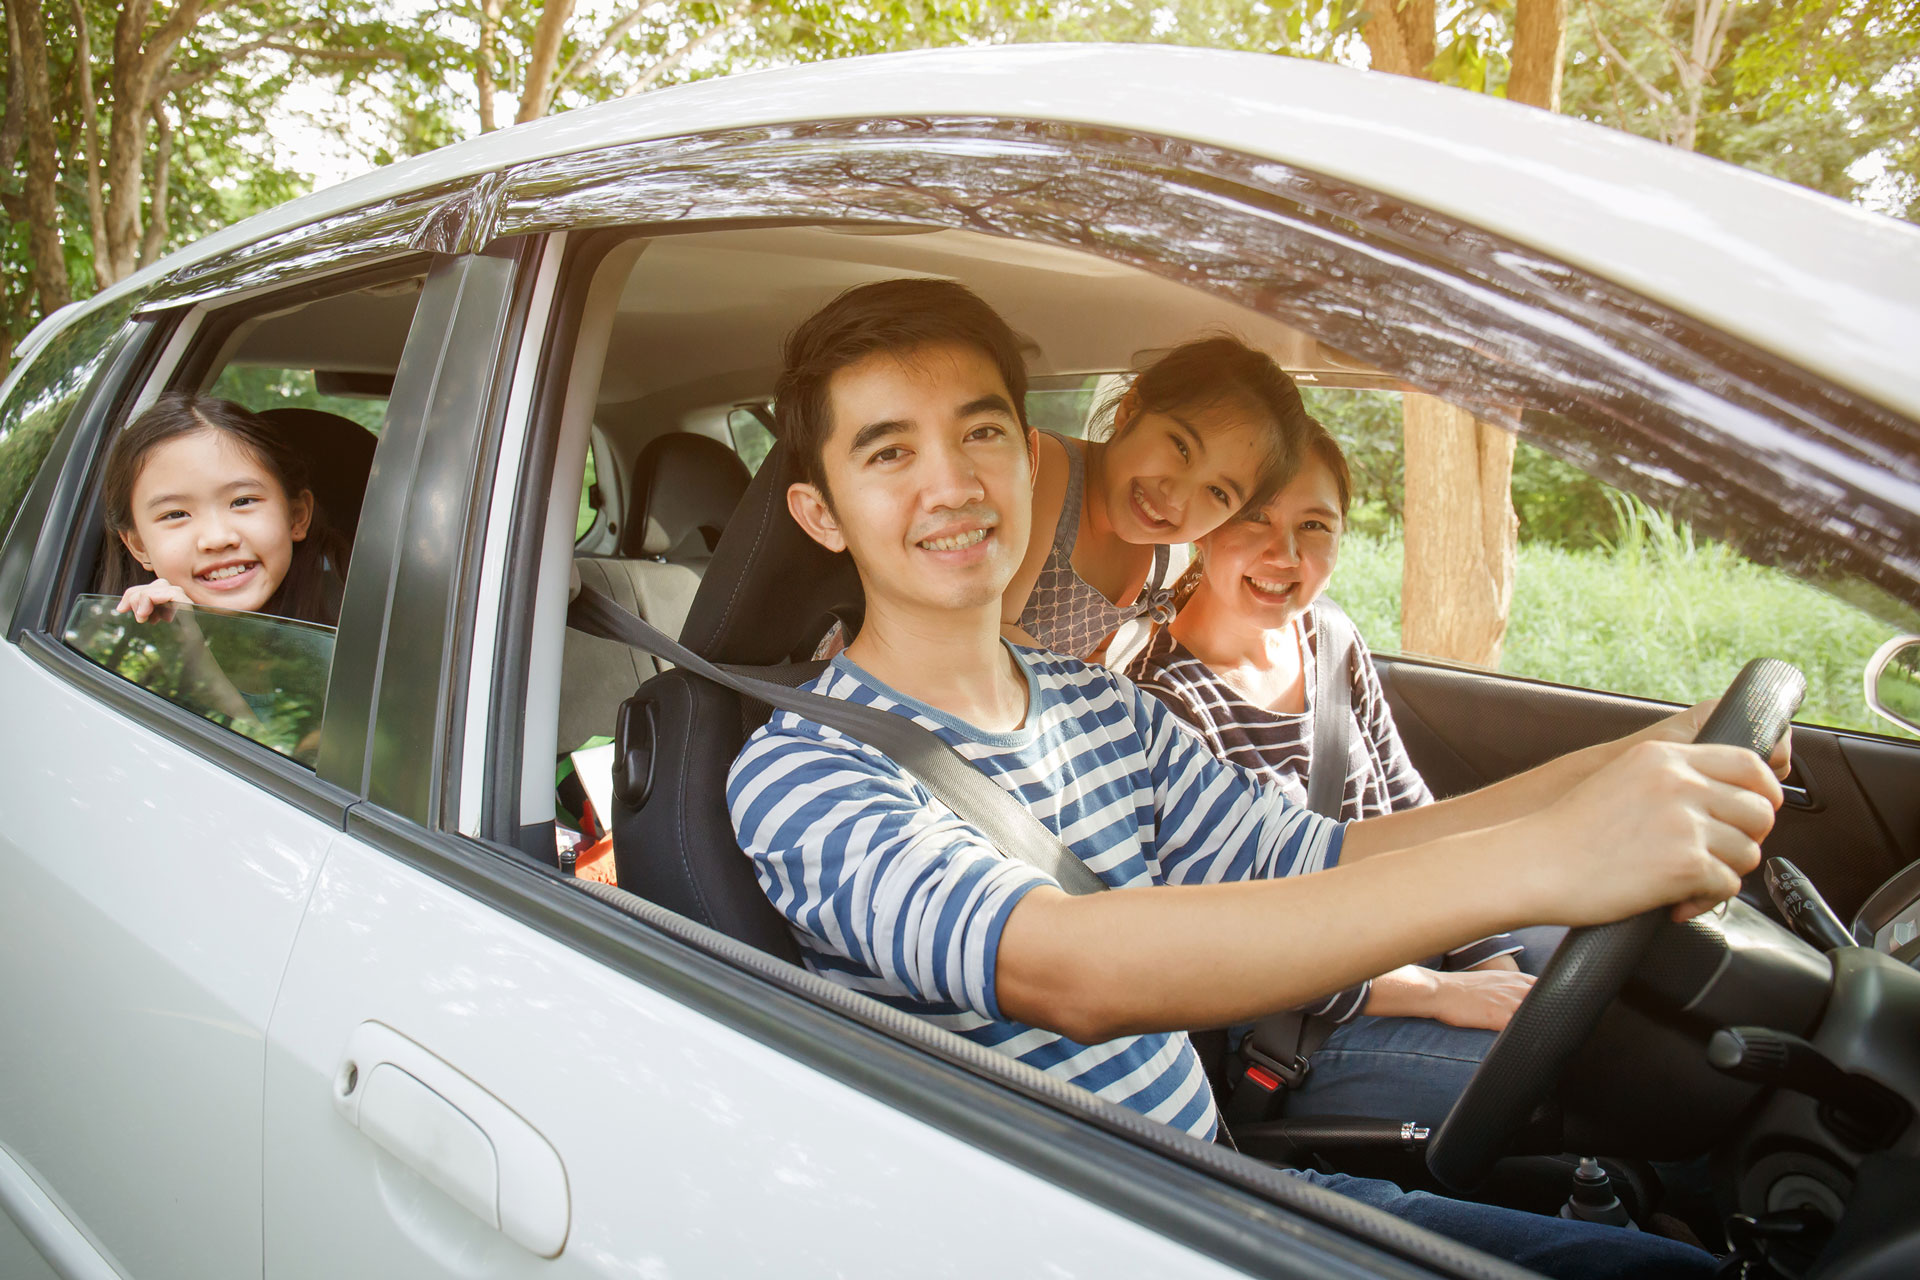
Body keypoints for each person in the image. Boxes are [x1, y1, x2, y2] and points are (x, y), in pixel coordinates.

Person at [728, 278, 1784, 1278]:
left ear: (1028, 448)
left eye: (982, 430)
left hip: (1222, 1182)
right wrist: (1552, 857)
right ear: (822, 515)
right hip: (1086, 1236)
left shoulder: (1098, 701)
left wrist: (1641, 753)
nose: (952, 482)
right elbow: (1068, 969)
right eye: (888, 452)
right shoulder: (804, 774)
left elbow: (1326, 851)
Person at [1131, 420, 1545, 1128]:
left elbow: (1406, 812)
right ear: (1204, 522)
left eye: (1314, 524)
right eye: (1254, 516)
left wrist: (1485, 962)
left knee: (1627, 962)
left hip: (1411, 935)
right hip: (1298, 1016)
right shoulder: (1159, 700)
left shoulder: (1330, 637)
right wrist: (1439, 996)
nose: (1283, 553)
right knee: (1565, 1069)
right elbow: (1233, 943)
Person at [1000, 336, 1308, 659]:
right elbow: (992, 640)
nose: (1175, 498)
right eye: (1181, 447)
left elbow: (1093, 659)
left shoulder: (1159, 558)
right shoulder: (1047, 470)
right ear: (1131, 408)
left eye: (1218, 493)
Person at [100, 392, 346, 625]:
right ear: (139, 546)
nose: (217, 539)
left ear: (296, 516)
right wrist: (174, 638)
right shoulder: (128, 642)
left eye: (242, 501)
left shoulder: (362, 620)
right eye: (175, 514)